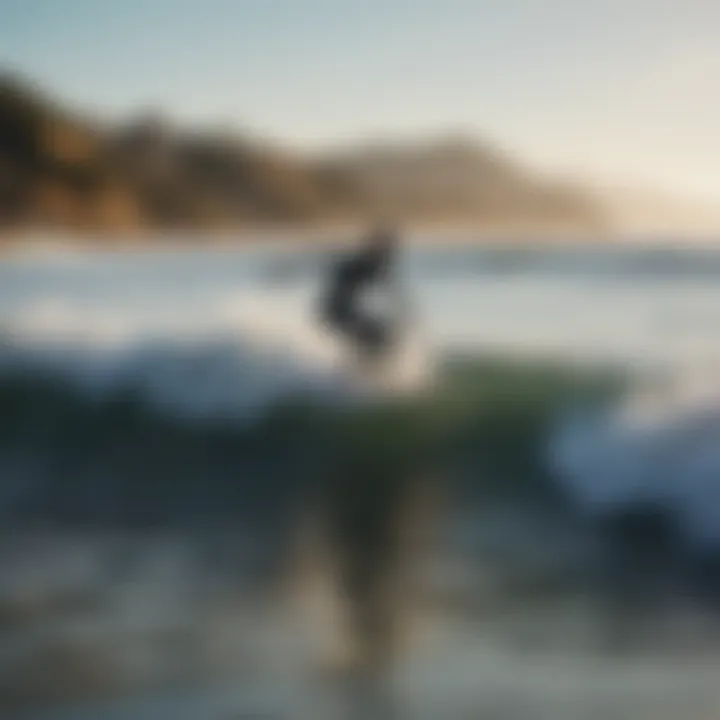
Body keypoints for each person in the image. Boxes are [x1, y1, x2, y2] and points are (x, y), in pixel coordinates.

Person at [319, 226, 405, 375]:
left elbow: (383, 281)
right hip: (336, 310)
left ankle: (364, 364)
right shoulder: (369, 265)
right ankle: (365, 363)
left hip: (337, 311)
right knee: (378, 335)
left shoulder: (368, 264)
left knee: (378, 335)